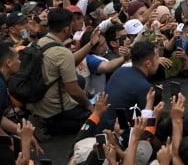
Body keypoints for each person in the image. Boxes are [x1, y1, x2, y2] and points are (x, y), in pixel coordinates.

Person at [27, 8, 94, 139]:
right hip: (54, 108)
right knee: (92, 118)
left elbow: (67, 64)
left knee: (80, 80)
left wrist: (90, 44)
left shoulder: (37, 43)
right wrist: (89, 105)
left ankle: (41, 118)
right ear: (66, 29)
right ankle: (46, 124)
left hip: (36, 99)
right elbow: (73, 90)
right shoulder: (63, 53)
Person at [103, 41, 159, 129]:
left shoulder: (121, 71)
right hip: (118, 131)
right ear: (148, 63)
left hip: (102, 124)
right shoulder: (144, 87)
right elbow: (147, 122)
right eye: (157, 58)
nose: (159, 61)